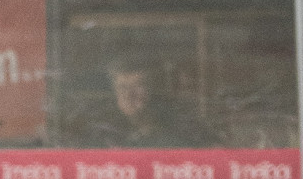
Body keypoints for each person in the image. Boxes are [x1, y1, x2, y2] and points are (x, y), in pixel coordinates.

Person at [76, 55, 215, 149]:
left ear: (155, 89)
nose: (129, 95)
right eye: (122, 87)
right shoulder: (101, 130)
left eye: (138, 86)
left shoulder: (186, 127)